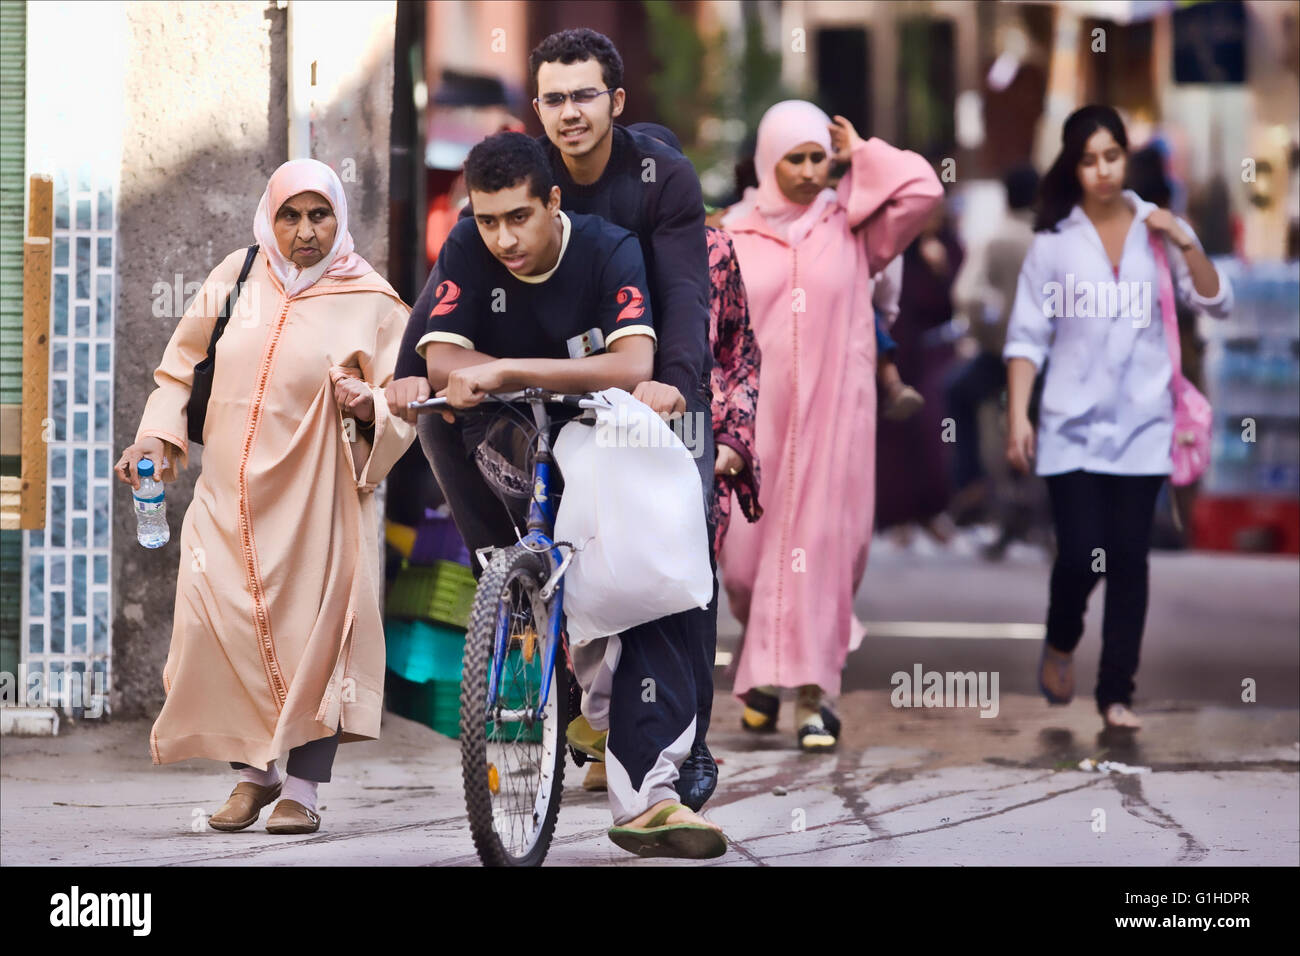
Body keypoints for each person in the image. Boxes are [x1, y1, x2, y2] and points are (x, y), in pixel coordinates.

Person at [386, 28, 721, 811]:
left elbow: (684, 295)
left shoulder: (658, 178)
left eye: (585, 95)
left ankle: (683, 743)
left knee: (673, 547)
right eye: (555, 98)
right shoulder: (514, 183)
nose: (570, 112)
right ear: (537, 107)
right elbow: (452, 273)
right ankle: (520, 599)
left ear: (617, 101)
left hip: (653, 385)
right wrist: (411, 373)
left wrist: (672, 386)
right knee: (447, 428)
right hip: (553, 390)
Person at [116, 158, 416, 834]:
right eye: (291, 215)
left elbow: (404, 405)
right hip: (225, 497)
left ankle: (301, 790)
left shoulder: (373, 300)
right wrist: (157, 441)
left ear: (339, 219)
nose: (306, 231)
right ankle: (254, 772)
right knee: (212, 627)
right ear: (269, 217)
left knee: (316, 639)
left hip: (316, 506)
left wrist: (368, 408)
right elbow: (178, 371)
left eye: (320, 215)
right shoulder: (237, 277)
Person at [719, 100, 943, 751]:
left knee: (819, 556)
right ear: (768, 160)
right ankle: (764, 667)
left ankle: (819, 696)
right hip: (754, 425)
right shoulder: (731, 232)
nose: (813, 170)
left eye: (821, 157)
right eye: (799, 157)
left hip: (833, 425)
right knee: (742, 566)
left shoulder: (856, 227)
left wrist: (861, 151)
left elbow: (923, 187)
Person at [1003, 105, 1233, 730]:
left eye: (1111, 155)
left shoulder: (1158, 232)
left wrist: (1184, 236)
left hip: (1144, 427)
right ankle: (1060, 638)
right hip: (1069, 430)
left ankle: (1115, 694)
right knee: (1081, 555)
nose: (1102, 170)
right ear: (1071, 166)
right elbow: (1026, 338)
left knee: (1129, 558)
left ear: (1125, 156)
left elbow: (1216, 303)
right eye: (1087, 159)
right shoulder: (1053, 244)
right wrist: (1018, 416)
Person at [571, 122, 764, 796]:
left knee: (686, 588)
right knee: (595, 578)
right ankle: (603, 731)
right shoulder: (586, 241)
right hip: (597, 432)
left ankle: (695, 747)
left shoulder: (712, 251)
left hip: (685, 432)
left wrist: (734, 438)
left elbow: (738, 350)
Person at [946, 164, 1039, 535]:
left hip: (999, 358)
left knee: (955, 394)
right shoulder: (1056, 240)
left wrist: (985, 332)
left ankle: (971, 481)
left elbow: (966, 294)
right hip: (1046, 363)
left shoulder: (996, 240)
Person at [875, 197, 966, 546]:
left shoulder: (950, 248)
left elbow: (954, 301)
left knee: (934, 432)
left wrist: (942, 268)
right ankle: (897, 517)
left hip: (933, 353)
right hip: (894, 354)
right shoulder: (895, 250)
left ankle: (931, 511)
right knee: (895, 434)